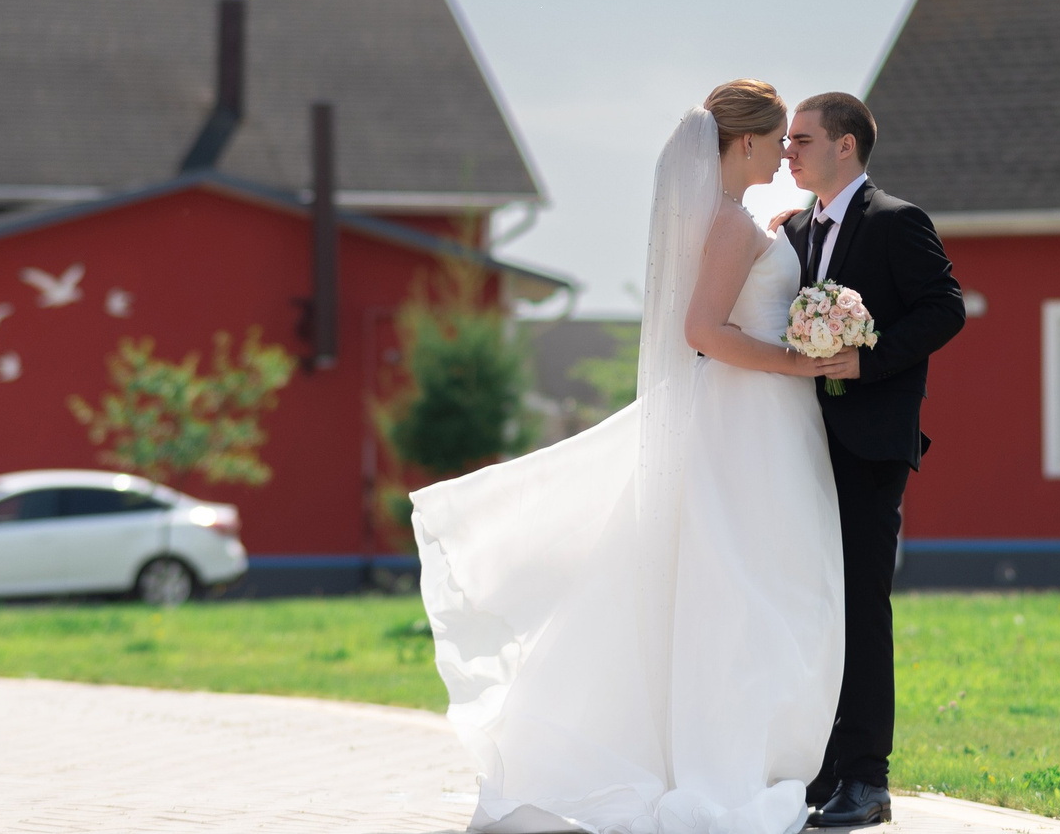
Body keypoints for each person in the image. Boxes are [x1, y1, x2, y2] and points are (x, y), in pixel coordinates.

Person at [413, 80, 850, 834]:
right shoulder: (729, 225)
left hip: (756, 416)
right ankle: (728, 757)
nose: (785, 153)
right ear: (743, 143)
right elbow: (704, 331)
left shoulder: (733, 221)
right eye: (777, 140)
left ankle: (747, 745)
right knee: (744, 594)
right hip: (750, 417)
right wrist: (797, 360)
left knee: (748, 589)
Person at [781, 93, 965, 830]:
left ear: (846, 146)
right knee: (812, 605)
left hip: (869, 446)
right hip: (796, 444)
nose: (788, 152)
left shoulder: (896, 221)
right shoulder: (794, 228)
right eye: (786, 140)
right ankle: (823, 764)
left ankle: (868, 777)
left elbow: (945, 307)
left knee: (860, 604)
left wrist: (869, 358)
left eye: (802, 139)